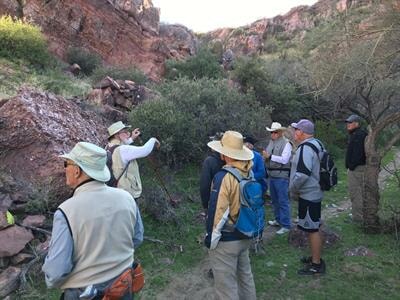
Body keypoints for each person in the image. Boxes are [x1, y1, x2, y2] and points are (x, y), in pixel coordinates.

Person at [42, 142, 144, 299]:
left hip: (84, 294)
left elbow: (57, 271)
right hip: (122, 285)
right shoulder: (126, 197)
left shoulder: (66, 211)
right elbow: (137, 238)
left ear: (77, 171)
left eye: (66, 164)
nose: (64, 169)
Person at [205, 131, 257, 300]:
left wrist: (211, 240)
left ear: (224, 154)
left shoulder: (224, 177)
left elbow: (218, 212)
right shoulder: (248, 171)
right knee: (245, 278)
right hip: (245, 233)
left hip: (228, 240)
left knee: (226, 288)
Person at [289, 119, 326, 275]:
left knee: (312, 229)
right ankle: (314, 257)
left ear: (302, 132)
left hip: (309, 193)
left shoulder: (305, 148)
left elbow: (302, 174)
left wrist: (291, 188)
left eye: (296, 130)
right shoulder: (318, 143)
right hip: (315, 190)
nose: (294, 132)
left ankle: (316, 265)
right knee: (312, 227)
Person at [107, 121, 160, 199]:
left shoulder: (109, 146)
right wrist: (153, 139)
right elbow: (144, 151)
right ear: (116, 135)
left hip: (118, 189)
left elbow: (122, 147)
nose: (128, 133)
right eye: (124, 132)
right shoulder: (123, 149)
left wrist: (132, 138)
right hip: (128, 192)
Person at [263, 122, 292, 235]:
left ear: (280, 132)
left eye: (275, 132)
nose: (272, 134)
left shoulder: (287, 144)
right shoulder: (271, 143)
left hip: (281, 176)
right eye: (271, 132)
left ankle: (286, 225)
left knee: (283, 200)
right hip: (272, 175)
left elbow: (285, 160)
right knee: (274, 200)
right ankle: (278, 220)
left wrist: (269, 157)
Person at [345, 114, 368, 223]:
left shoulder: (359, 135)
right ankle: (361, 216)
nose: (348, 125)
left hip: (357, 169)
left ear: (357, 123)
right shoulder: (357, 134)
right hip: (358, 168)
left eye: (351, 122)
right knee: (360, 192)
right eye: (348, 122)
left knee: (356, 193)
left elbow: (358, 154)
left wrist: (351, 166)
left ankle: (358, 218)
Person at [199, 132, 225, 212]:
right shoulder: (230, 159)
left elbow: (205, 185)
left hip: (214, 200)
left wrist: (205, 205)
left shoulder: (209, 161)